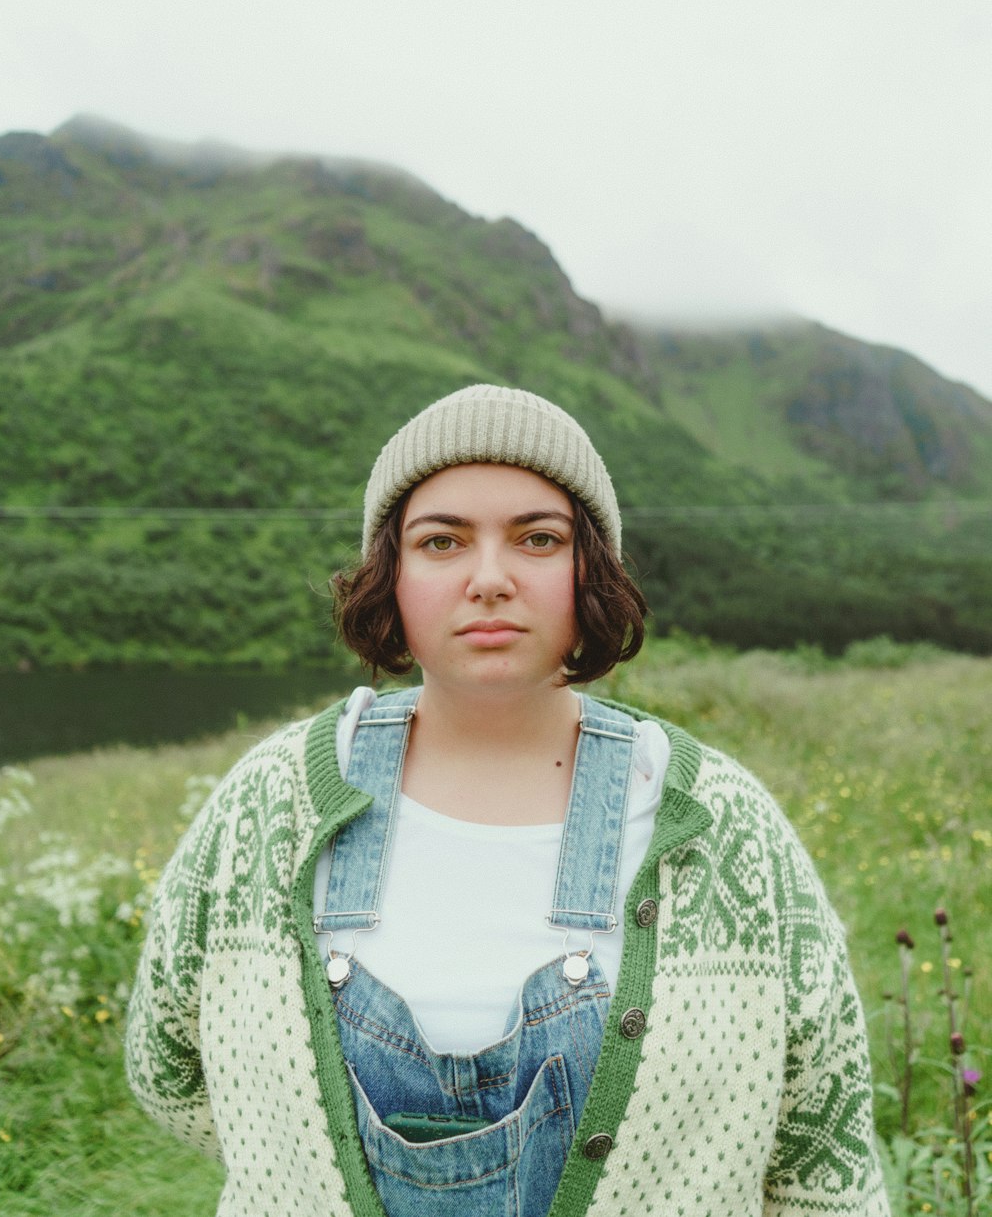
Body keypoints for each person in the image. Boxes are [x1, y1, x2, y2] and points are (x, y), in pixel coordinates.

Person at [125, 384, 890, 1217]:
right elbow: (170, 1072)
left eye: (537, 538)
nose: (489, 580)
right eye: (442, 541)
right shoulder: (267, 807)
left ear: (588, 569)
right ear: (392, 574)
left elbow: (825, 1162)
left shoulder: (723, 827)